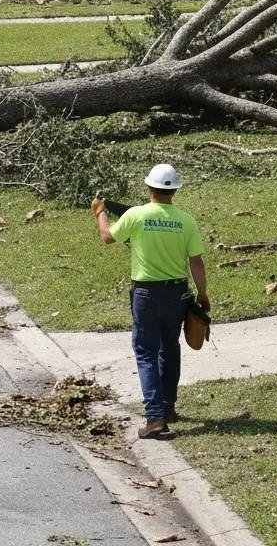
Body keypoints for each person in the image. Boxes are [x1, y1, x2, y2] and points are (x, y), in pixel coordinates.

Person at [92, 164, 209, 441]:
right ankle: (168, 409)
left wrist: (100, 213)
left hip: (146, 295)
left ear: (148, 188)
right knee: (169, 348)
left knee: (145, 352)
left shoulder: (136, 215)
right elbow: (196, 261)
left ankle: (155, 418)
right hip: (178, 294)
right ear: (175, 190)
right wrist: (202, 294)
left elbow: (108, 237)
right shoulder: (186, 221)